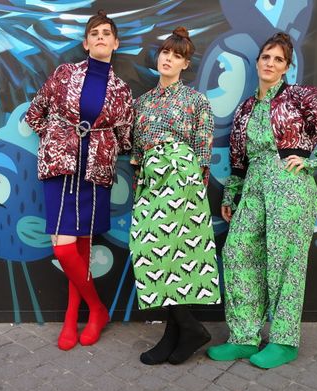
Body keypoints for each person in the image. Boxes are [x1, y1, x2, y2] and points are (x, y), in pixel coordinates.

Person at [207, 32, 317, 369]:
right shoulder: (245, 109)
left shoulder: (301, 97)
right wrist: (232, 193)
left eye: (278, 59)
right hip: (254, 186)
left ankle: (285, 340)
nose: (270, 64)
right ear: (257, 62)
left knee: (285, 262)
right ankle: (244, 336)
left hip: (289, 187)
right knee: (238, 252)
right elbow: (239, 157)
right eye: (266, 57)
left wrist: (314, 162)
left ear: (287, 67)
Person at [24, 11, 133, 350]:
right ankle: (98, 309)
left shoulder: (122, 90)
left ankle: (73, 320)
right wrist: (57, 138)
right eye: (94, 33)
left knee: (82, 247)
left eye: (107, 33)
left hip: (94, 173)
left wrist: (100, 144)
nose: (101, 37)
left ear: (115, 43)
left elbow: (125, 138)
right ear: (86, 43)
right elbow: (34, 114)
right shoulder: (64, 74)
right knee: (63, 245)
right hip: (61, 169)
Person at [129, 26, 220, 365]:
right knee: (150, 251)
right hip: (151, 181)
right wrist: (142, 185)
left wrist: (193, 189)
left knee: (177, 256)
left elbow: (203, 149)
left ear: (185, 64)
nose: (168, 58)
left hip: (183, 179)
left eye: (177, 55)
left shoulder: (196, 101)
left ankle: (176, 333)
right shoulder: (143, 103)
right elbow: (136, 152)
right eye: (165, 52)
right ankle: (185, 329)